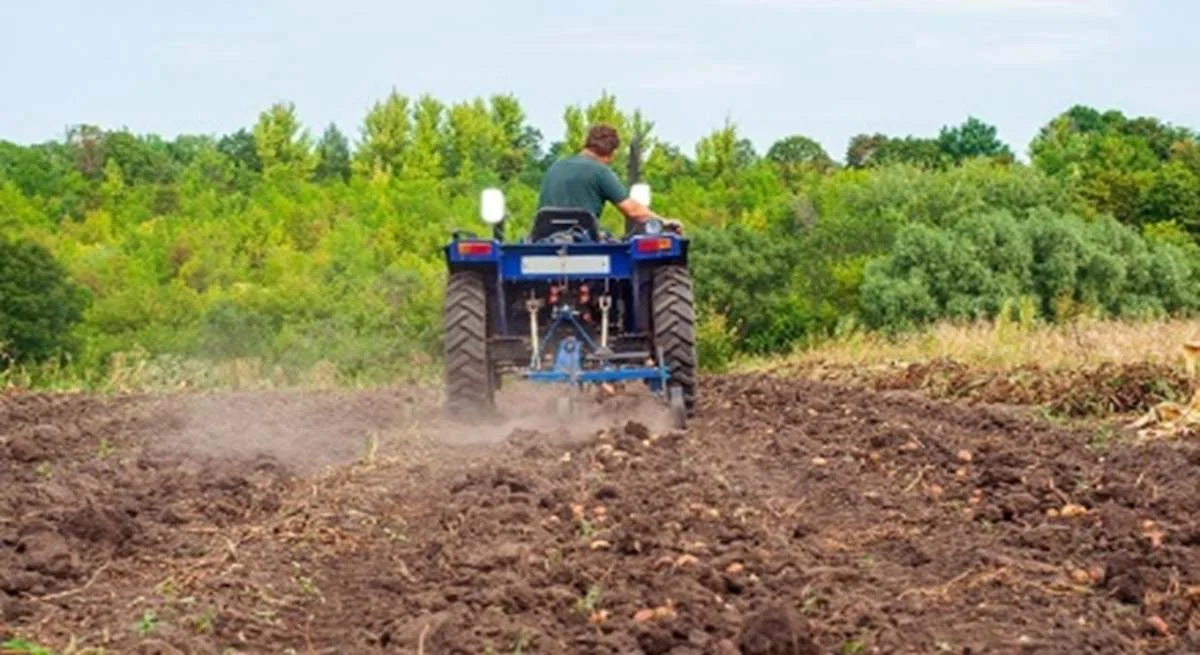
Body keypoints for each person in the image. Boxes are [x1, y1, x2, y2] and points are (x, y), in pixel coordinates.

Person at [537, 124, 666, 236]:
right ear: (612, 153)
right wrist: (664, 222)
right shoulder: (600, 171)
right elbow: (633, 210)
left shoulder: (556, 166)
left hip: (543, 238)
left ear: (587, 144)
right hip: (582, 240)